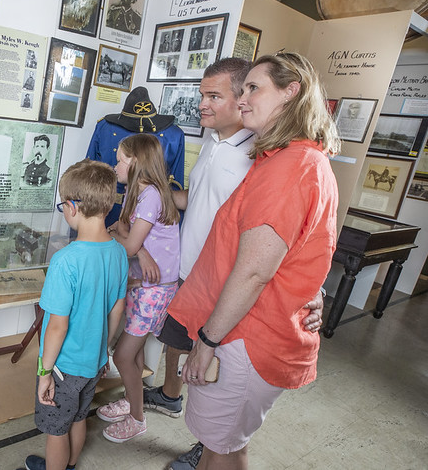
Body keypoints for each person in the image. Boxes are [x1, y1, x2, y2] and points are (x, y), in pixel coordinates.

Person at [140, 58, 324, 470]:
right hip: (206, 287)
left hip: (239, 318)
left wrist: (207, 341)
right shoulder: (267, 155)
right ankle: (179, 406)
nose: (242, 101)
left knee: (222, 439)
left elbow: (259, 265)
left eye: (250, 90)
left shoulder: (284, 165)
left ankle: (203, 446)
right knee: (218, 429)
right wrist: (150, 195)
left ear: (290, 91)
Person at [24, 159, 128, 470]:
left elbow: (57, 325)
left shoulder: (65, 261)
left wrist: (45, 372)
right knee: (80, 416)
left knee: (56, 430)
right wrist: (104, 348)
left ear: (71, 207)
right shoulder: (119, 252)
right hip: (94, 362)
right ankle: (70, 465)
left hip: (64, 366)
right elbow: (117, 308)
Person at [95, 134, 180, 443]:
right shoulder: (140, 190)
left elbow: (127, 240)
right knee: (136, 352)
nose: (115, 164)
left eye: (120, 159)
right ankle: (134, 400)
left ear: (136, 163)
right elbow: (128, 234)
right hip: (142, 282)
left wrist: (128, 243)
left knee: (122, 356)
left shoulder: (151, 196)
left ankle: (137, 418)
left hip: (153, 289)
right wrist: (138, 248)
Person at [86, 86, 185, 226]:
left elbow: (175, 183)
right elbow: (89, 173)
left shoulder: (174, 135)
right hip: (106, 207)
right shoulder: (104, 127)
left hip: (151, 211)